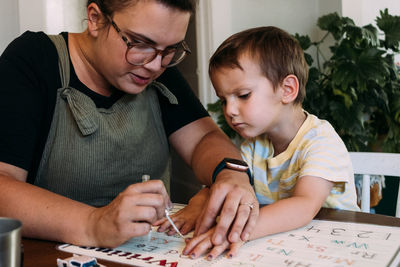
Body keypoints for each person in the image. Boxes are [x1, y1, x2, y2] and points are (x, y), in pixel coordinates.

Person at [0, 0, 258, 248]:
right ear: (96, 19)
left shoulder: (157, 69)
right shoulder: (33, 60)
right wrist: (94, 223)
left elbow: (204, 139)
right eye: (141, 43)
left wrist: (231, 174)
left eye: (170, 49)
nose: (156, 65)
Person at [158, 26, 360, 259]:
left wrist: (236, 232)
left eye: (243, 95)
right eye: (224, 100)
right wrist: (198, 204)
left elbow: (304, 205)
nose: (230, 111)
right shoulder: (255, 145)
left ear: (287, 90)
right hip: (287, 248)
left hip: (337, 248)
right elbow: (232, 185)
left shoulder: (321, 141)